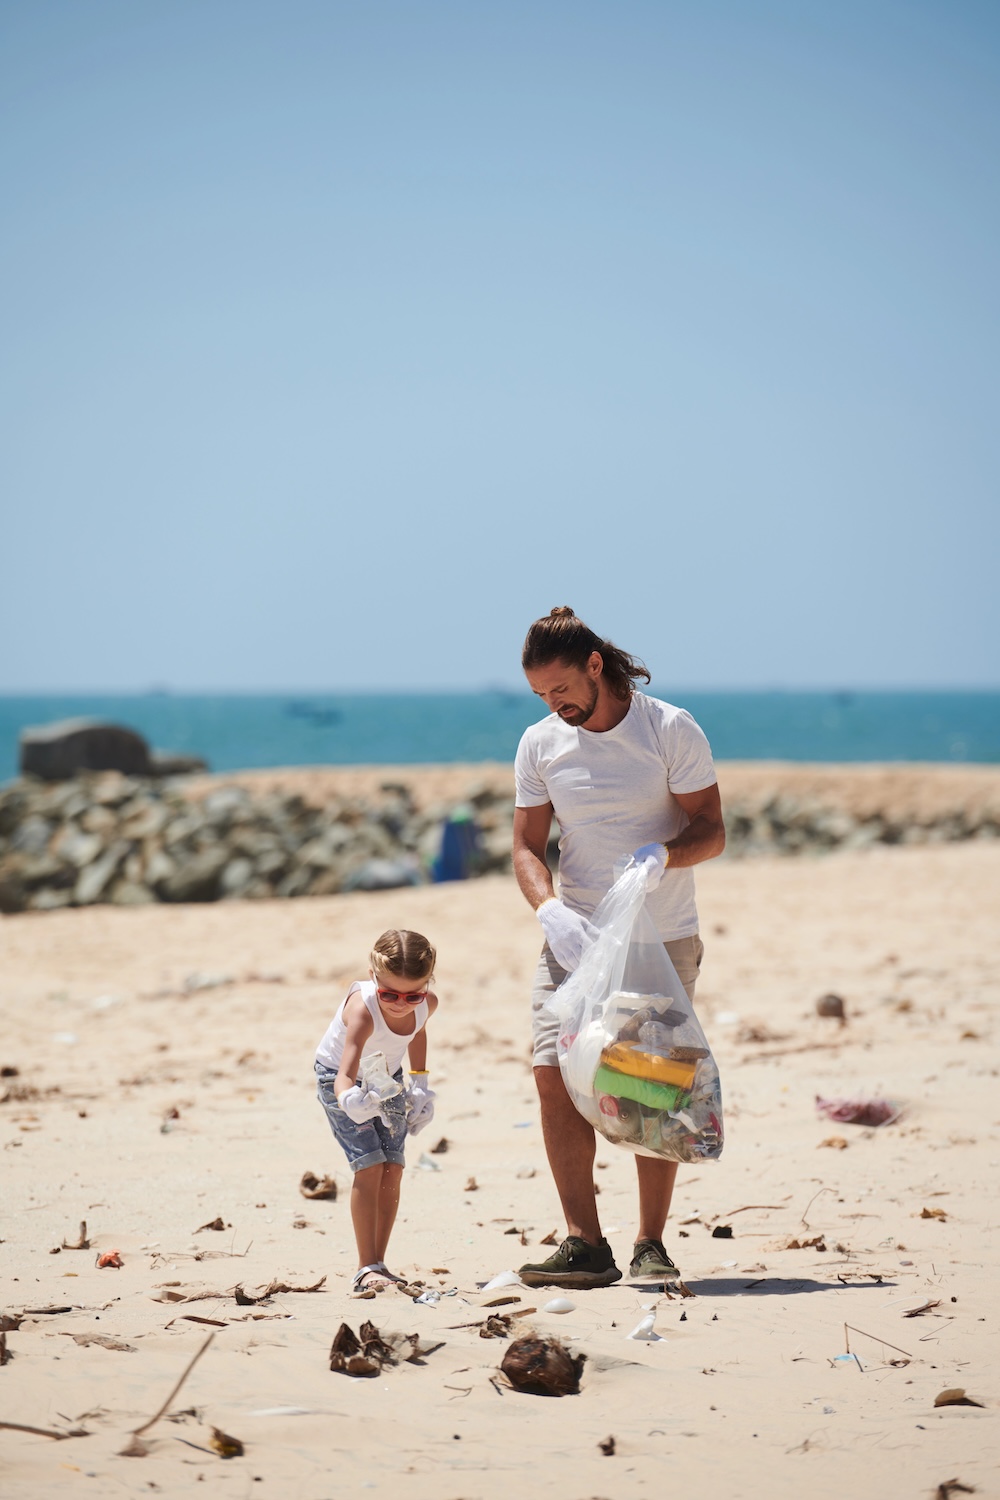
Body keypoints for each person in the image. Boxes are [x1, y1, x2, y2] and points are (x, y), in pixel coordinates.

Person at [512, 606, 725, 1289]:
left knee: (651, 1082)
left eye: (561, 689)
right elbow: (524, 846)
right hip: (573, 939)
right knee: (552, 1074)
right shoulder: (541, 744)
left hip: (659, 936)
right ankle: (584, 1242)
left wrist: (664, 856)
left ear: (595, 665)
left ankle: (651, 1243)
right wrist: (548, 908)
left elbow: (713, 829)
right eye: (542, 695)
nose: (556, 704)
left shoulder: (669, 728)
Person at [315, 928, 439, 1293]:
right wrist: (350, 1100)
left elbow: (417, 1033)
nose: (401, 1004)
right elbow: (343, 1074)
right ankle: (364, 1265)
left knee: (393, 1165)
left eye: (413, 994)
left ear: (427, 985)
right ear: (374, 978)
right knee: (369, 1164)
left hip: (387, 1074)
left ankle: (380, 1262)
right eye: (390, 994)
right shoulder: (364, 1010)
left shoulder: (426, 1006)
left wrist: (419, 1085)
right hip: (339, 1078)